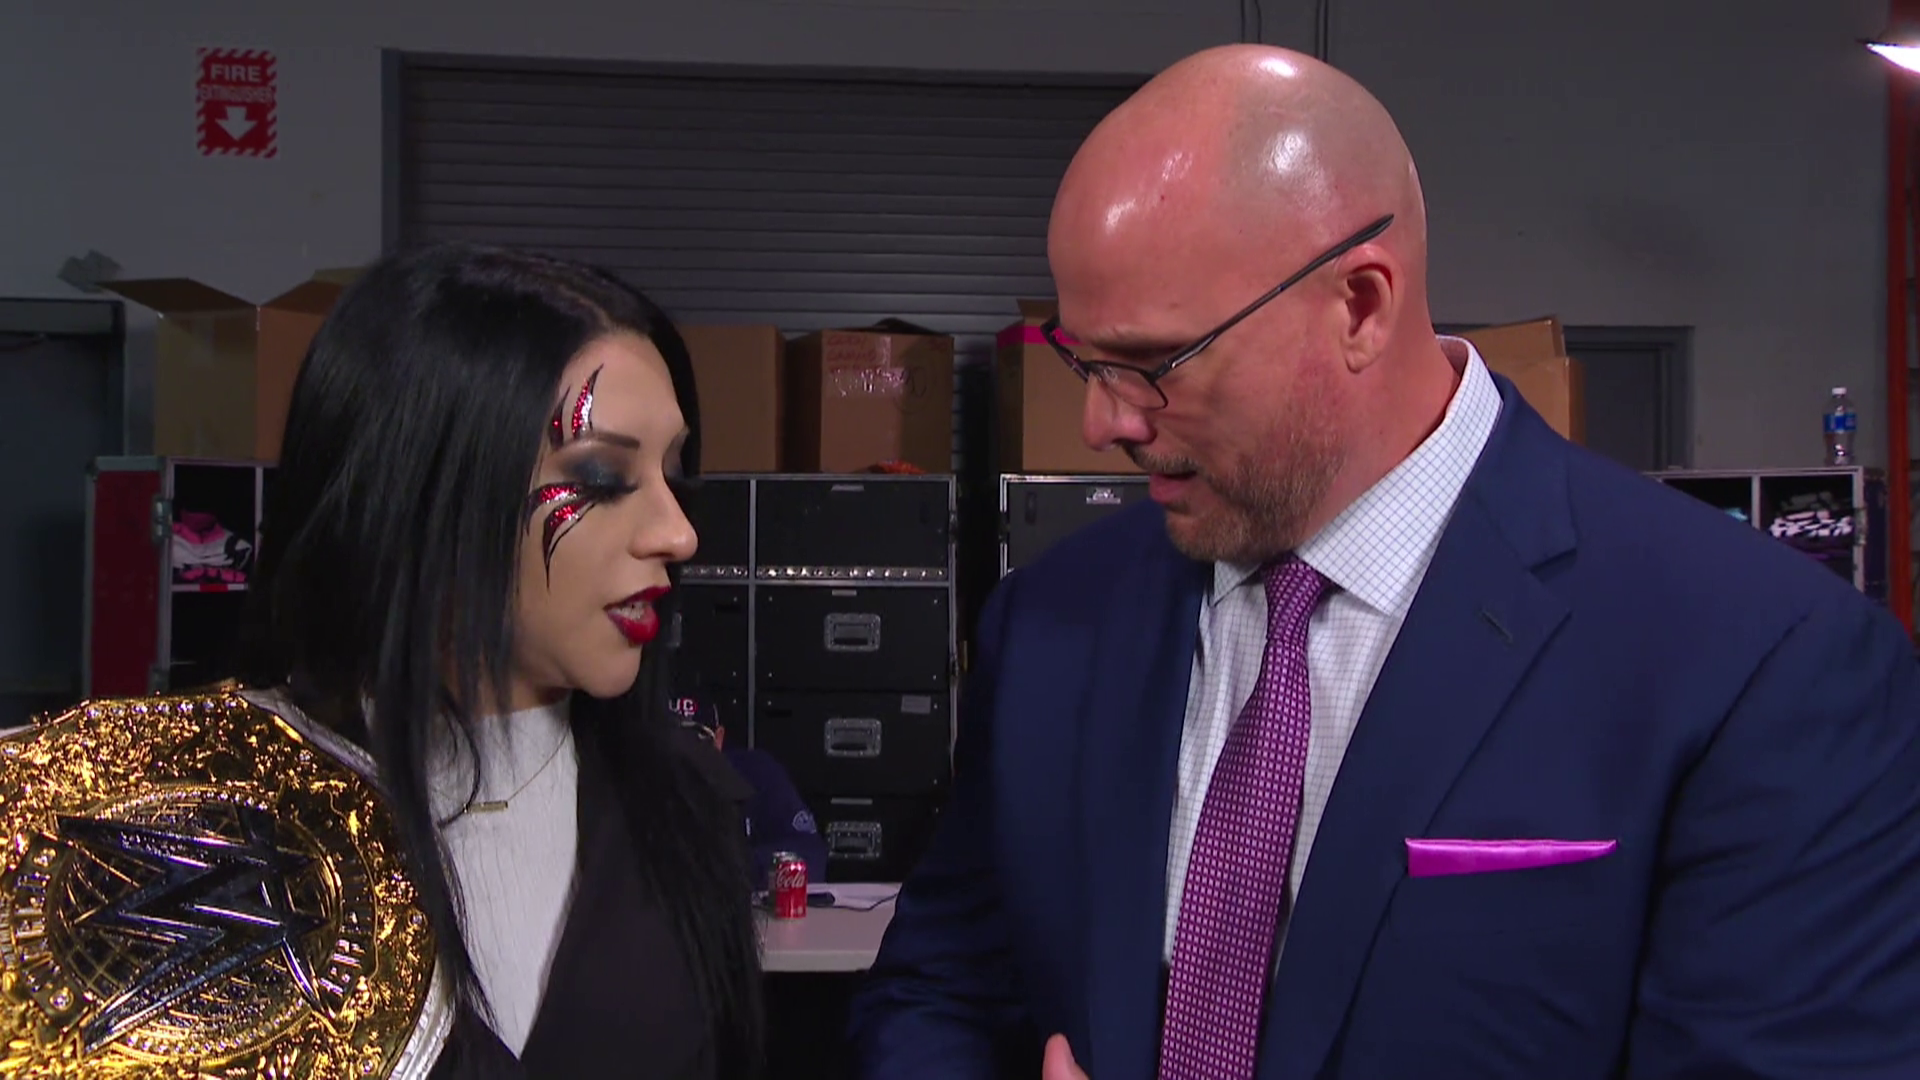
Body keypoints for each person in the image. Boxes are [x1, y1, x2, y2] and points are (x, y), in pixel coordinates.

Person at [847, 43, 1920, 1080]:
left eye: (1154, 363)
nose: (1102, 424)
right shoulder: (1054, 621)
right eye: (1084, 361)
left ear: (1360, 306)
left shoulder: (1763, 663)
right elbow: (939, 990)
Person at [0, 243, 764, 1078]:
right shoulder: (188, 815)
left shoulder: (690, 810)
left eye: (674, 473)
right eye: (605, 476)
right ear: (425, 482)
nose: (678, 533)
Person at [673, 694, 831, 890]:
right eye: (670, 738)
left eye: (697, 738)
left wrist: (730, 867)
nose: (684, 751)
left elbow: (810, 855)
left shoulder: (755, 773)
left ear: (719, 739)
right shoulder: (640, 784)